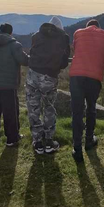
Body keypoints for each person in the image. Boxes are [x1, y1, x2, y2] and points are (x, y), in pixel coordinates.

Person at [69, 19, 104, 162]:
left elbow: (76, 49)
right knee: (91, 108)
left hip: (76, 75)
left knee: (77, 111)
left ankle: (76, 147)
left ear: (86, 26)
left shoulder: (78, 33)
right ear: (98, 27)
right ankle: (89, 140)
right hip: (94, 76)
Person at [26, 16, 71, 155]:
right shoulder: (63, 38)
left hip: (33, 74)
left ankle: (37, 142)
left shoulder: (36, 36)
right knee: (49, 108)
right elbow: (64, 62)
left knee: (33, 107)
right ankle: (49, 141)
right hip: (50, 76)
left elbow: (31, 53)